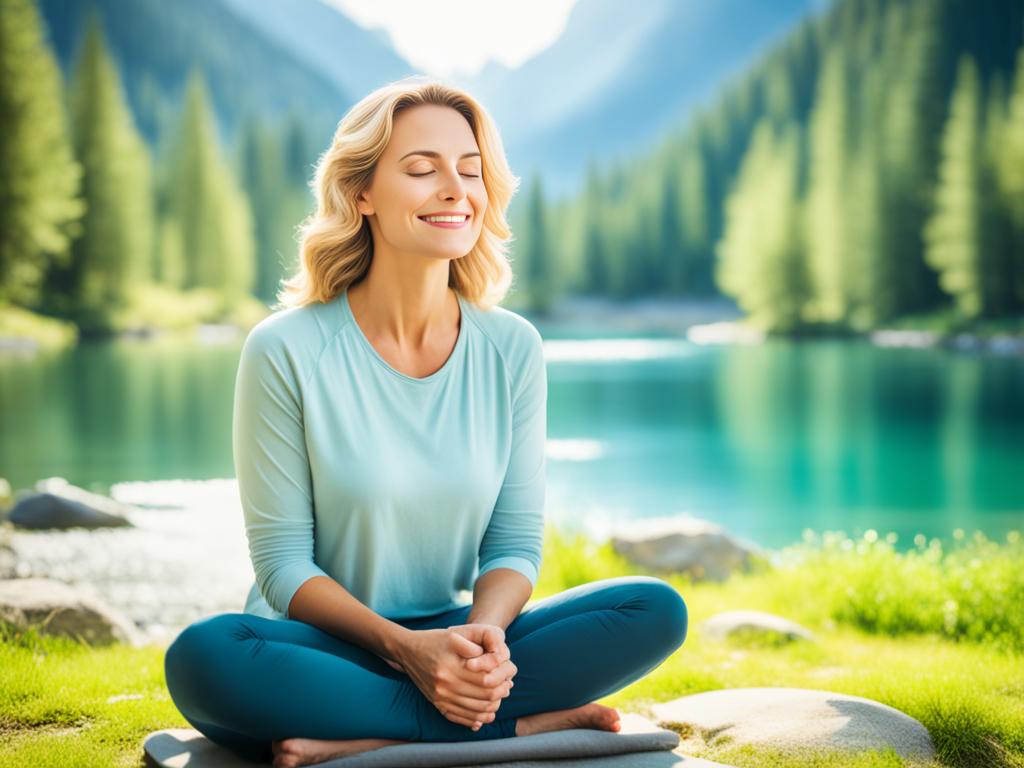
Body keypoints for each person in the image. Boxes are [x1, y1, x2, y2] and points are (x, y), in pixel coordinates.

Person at [163, 76, 688, 768]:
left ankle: (377, 735)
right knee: (205, 657)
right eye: (422, 169)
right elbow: (284, 566)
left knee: (652, 610)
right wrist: (407, 652)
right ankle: (518, 728)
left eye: (470, 171)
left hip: (456, 630)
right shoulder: (285, 348)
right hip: (322, 646)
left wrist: (481, 641)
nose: (455, 189)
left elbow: (513, 543)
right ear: (362, 194)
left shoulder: (511, 348)